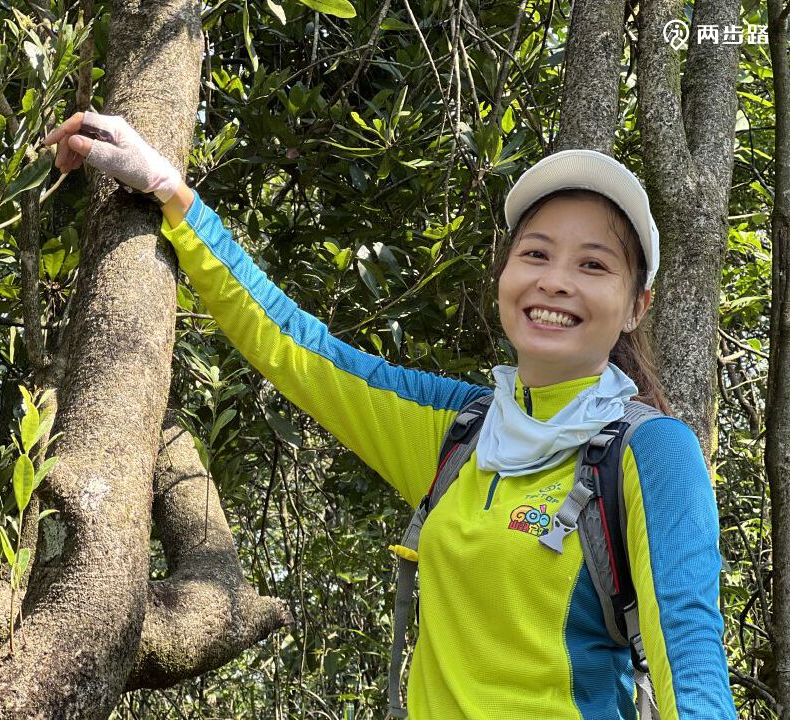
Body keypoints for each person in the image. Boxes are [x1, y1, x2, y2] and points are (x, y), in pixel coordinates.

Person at [44, 112, 738, 719]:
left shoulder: (652, 453)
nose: (555, 280)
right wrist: (171, 191)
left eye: (594, 265)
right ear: (503, 278)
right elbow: (297, 347)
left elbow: (691, 663)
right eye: (535, 253)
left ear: (636, 304)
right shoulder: (459, 431)